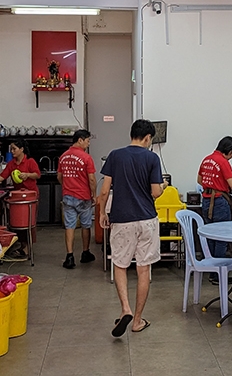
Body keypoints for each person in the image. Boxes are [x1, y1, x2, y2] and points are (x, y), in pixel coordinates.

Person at [98, 119, 164, 337]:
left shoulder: (115, 155)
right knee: (143, 269)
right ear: (147, 138)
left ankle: (125, 308)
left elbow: (105, 190)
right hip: (146, 219)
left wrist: (102, 213)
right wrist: (163, 186)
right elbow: (155, 192)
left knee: (120, 265)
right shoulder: (152, 158)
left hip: (122, 220)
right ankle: (137, 320)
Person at [197, 136, 232, 281]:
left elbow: (199, 180)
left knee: (210, 235)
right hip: (219, 202)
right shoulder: (223, 161)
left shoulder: (206, 159)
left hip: (206, 200)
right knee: (221, 237)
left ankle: (210, 270)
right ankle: (218, 274)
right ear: (230, 151)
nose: (231, 157)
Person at [0, 141, 40, 258]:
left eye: (14, 149)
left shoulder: (30, 161)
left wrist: (27, 175)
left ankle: (27, 246)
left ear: (22, 149)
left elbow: (37, 175)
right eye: (11, 149)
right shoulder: (12, 164)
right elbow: (3, 176)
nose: (12, 151)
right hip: (17, 197)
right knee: (18, 222)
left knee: (29, 222)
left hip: (30, 196)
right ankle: (23, 245)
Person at [58, 129, 96, 269]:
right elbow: (91, 179)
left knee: (70, 226)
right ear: (80, 140)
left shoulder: (63, 156)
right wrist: (93, 194)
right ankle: (85, 253)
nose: (88, 143)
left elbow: (59, 176)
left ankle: (69, 256)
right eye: (87, 140)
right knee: (86, 225)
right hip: (83, 196)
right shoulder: (86, 158)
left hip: (68, 196)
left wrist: (67, 187)